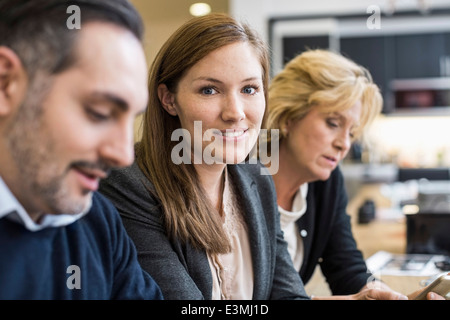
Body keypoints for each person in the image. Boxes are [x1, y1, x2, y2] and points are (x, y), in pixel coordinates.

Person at [99, 13, 309, 300]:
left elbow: (288, 294)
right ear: (168, 99)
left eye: (249, 89)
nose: (235, 112)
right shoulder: (129, 185)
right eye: (209, 90)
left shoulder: (256, 179)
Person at [0, 0, 163, 300]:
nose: (124, 155)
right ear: (5, 83)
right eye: (99, 112)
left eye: (132, 120)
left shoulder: (98, 222)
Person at [263, 48, 445, 300]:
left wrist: (378, 294)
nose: (344, 144)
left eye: (351, 132)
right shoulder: (241, 180)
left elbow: (346, 265)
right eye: (333, 123)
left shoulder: (325, 182)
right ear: (288, 117)